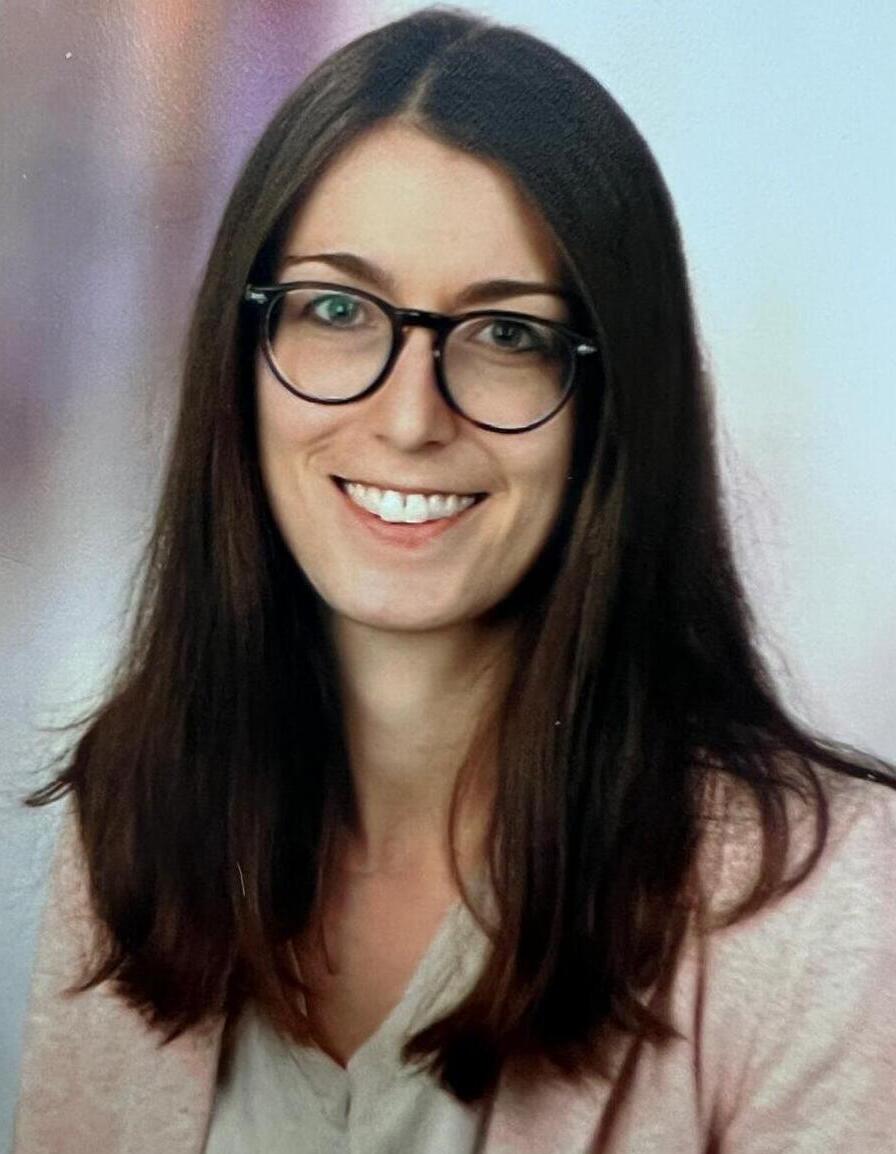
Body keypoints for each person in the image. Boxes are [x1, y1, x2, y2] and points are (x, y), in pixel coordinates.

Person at [13, 7, 896, 1153]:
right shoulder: (136, 813)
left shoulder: (830, 902)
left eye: (506, 334)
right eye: (337, 309)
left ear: (613, 402)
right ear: (241, 353)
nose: (409, 416)